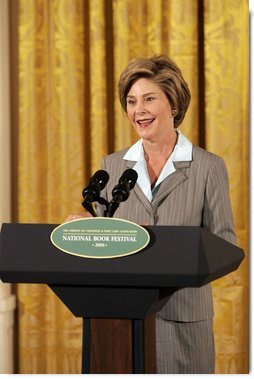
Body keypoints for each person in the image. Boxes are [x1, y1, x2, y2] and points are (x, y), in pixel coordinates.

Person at [67, 55, 236, 374]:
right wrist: (86, 233)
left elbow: (224, 245)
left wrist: (167, 252)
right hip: (120, 320)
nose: (138, 110)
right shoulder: (112, 166)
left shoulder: (208, 168)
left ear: (173, 104)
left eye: (148, 99)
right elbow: (106, 239)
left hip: (184, 321)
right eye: (131, 101)